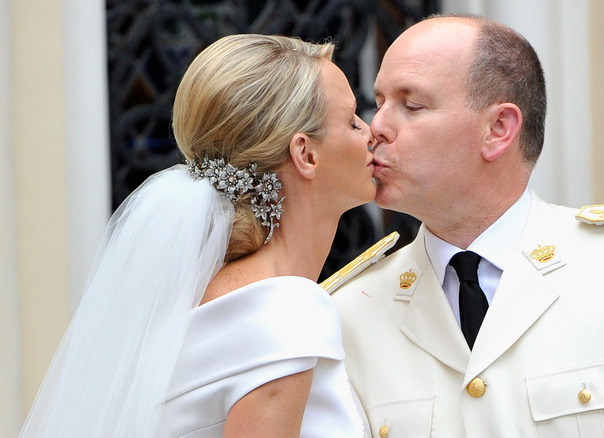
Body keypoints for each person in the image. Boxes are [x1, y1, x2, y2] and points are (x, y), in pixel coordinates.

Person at [331, 14, 604, 437]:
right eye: (380, 102)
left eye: (412, 105)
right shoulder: (350, 310)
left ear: (499, 129)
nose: (376, 128)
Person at [19, 34, 374, 437]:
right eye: (353, 120)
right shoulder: (282, 308)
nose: (372, 132)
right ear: (305, 154)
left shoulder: (197, 299)